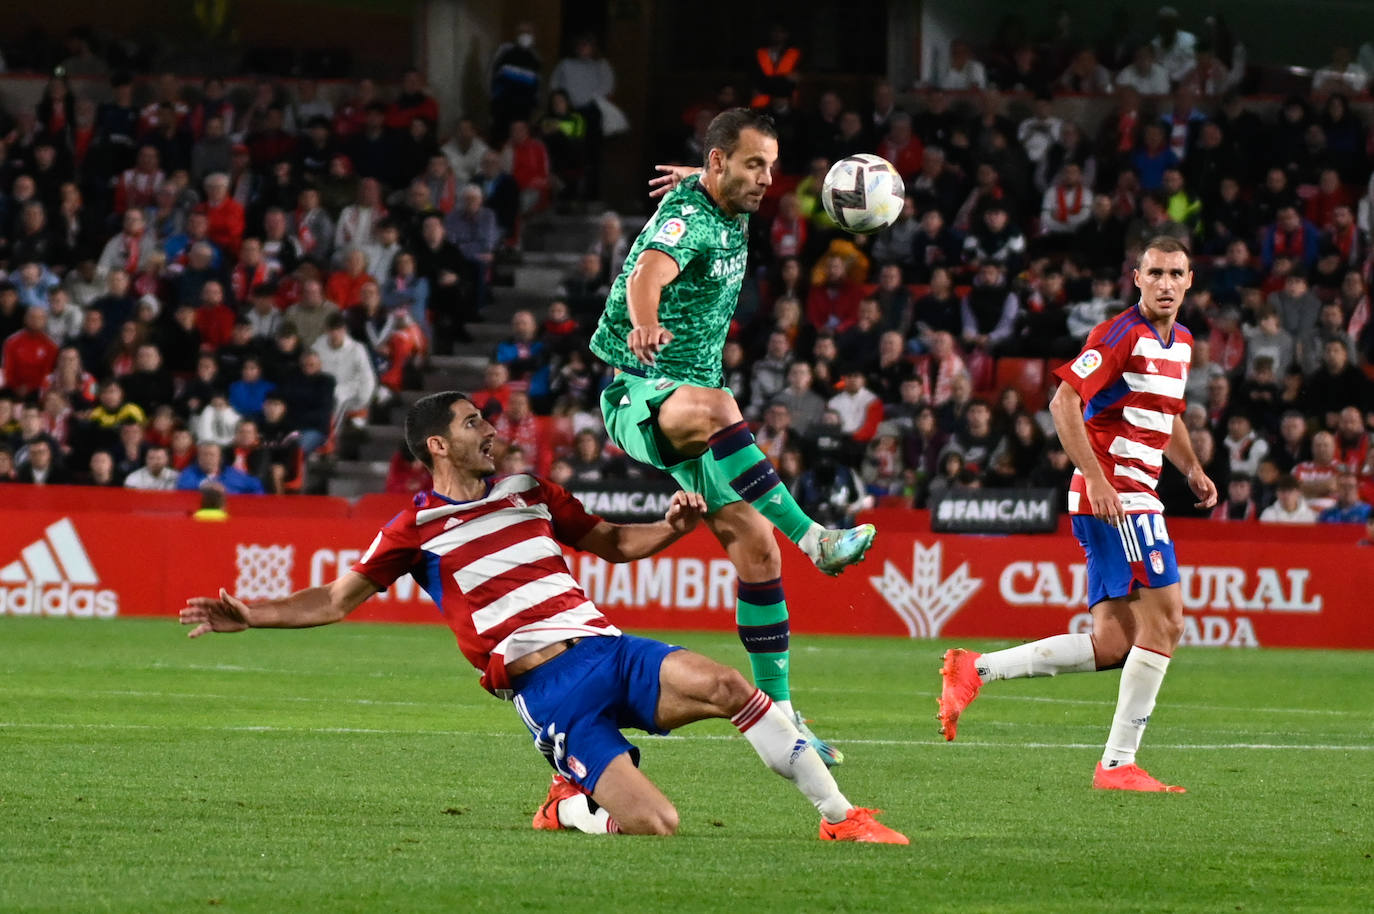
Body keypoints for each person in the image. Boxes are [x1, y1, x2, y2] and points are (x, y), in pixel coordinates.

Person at [179, 392, 905, 843]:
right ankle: (567, 804)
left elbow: (613, 544)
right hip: (547, 692)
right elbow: (335, 599)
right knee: (658, 826)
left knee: (724, 686)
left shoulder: (529, 488)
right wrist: (256, 613)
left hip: (606, 648)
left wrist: (673, 527)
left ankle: (841, 816)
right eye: (471, 423)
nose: (487, 430)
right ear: (437, 444)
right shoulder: (416, 526)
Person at [587, 110, 880, 766]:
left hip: (683, 404)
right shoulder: (687, 219)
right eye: (755, 166)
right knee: (721, 406)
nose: (767, 180)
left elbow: (720, 183)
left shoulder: (723, 198)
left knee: (756, 548)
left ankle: (778, 715)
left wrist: (712, 172)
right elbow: (648, 273)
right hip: (639, 396)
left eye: (770, 167)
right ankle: (819, 538)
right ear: (720, 163)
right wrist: (643, 323)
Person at [938, 237, 1218, 793]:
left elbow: (1166, 416)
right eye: (1155, 273)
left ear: (1190, 282)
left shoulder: (1181, 342)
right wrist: (1095, 478)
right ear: (1136, 278)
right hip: (1118, 495)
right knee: (1167, 623)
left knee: (1114, 643)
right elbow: (1062, 401)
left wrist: (1190, 468)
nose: (1165, 283)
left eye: (1175, 274)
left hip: (1131, 493)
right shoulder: (1118, 334)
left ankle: (974, 669)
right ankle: (1118, 765)